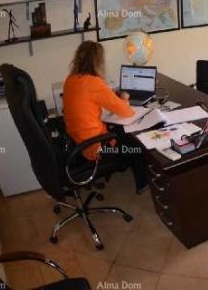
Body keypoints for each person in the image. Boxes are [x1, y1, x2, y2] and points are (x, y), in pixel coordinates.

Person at [63, 40, 148, 193]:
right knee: (136, 142)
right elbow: (126, 111)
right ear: (98, 61)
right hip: (96, 147)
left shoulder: (70, 80)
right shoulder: (94, 83)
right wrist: (125, 97)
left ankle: (125, 163)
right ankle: (142, 182)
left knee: (121, 130)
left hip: (78, 140)